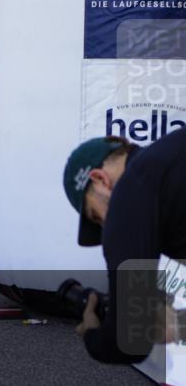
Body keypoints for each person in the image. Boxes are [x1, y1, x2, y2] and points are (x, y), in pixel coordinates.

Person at [62, 130, 186, 363]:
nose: (105, 225)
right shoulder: (170, 155)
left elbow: (128, 344)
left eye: (96, 216)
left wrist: (91, 332)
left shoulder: (129, 194)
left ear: (100, 180)